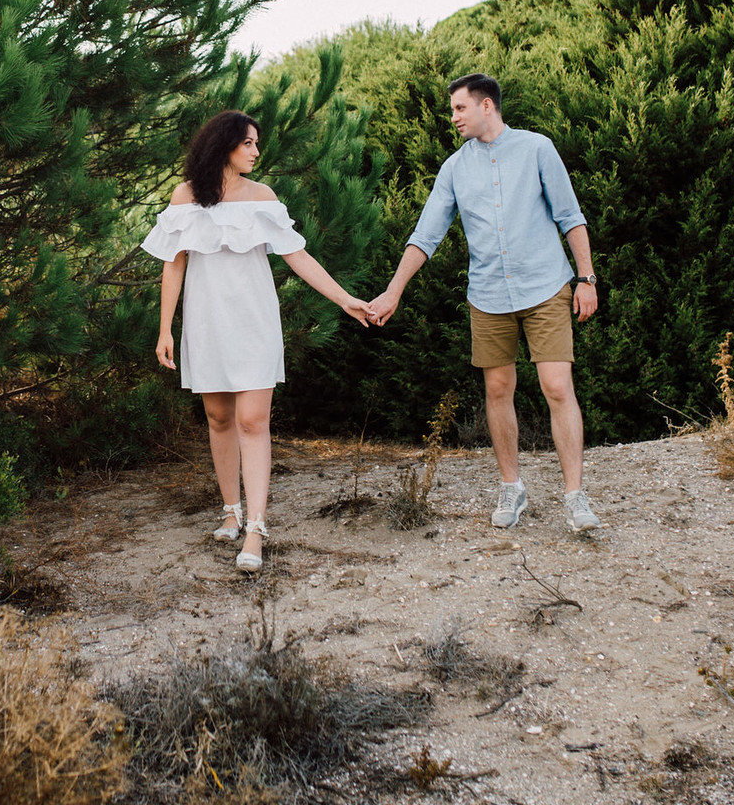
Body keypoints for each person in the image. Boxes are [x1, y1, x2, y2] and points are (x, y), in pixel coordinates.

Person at [365, 74, 602, 532]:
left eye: (459, 108)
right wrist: (393, 290)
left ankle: (575, 496)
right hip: (489, 296)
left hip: (545, 287)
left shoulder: (537, 148)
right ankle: (512, 488)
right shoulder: (454, 168)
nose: (452, 118)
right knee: (497, 391)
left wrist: (586, 278)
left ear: (486, 105)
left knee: (557, 387)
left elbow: (571, 217)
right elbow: (426, 236)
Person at [144, 110, 371, 572]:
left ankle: (255, 528)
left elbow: (298, 256)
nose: (255, 151)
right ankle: (230, 510)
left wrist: (345, 299)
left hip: (254, 322)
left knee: (252, 420)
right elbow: (175, 263)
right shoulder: (185, 198)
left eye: (256, 143)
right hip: (207, 322)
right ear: (222, 146)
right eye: (248, 143)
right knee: (218, 415)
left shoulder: (263, 197)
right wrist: (165, 327)